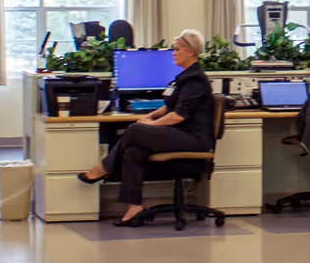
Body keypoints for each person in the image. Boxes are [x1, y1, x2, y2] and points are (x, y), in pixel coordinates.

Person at [80, 30, 214, 226]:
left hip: (194, 138)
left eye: (177, 49)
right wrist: (150, 116)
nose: (173, 53)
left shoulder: (195, 80)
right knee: (134, 150)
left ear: (190, 51)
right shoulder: (184, 77)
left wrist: (152, 125)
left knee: (135, 130)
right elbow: (169, 106)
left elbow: (178, 116)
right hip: (180, 133)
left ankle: (103, 168)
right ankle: (134, 206)